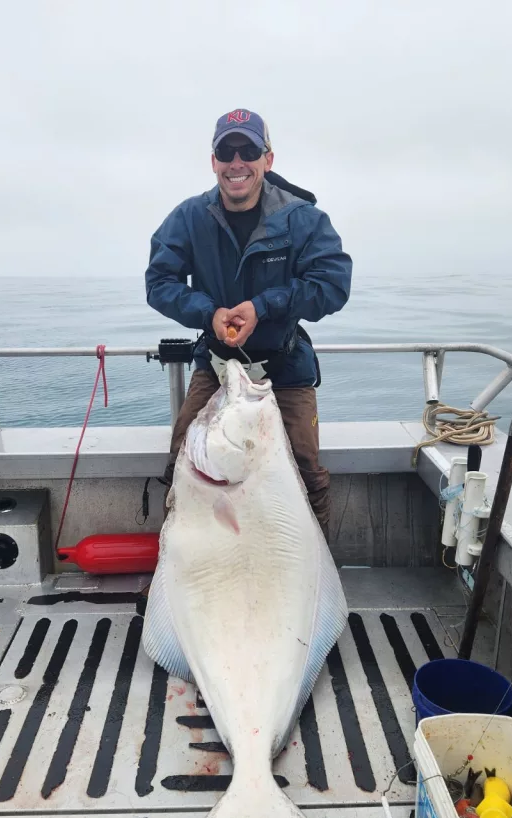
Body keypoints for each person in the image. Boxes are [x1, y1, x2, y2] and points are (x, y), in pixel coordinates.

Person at [145, 108, 352, 540]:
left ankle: (313, 579)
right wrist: (209, 314)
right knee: (183, 461)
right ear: (214, 160)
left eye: (248, 151)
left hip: (285, 365)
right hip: (218, 363)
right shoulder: (189, 218)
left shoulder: (303, 219)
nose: (237, 163)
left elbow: (333, 284)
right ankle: (182, 572)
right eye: (227, 151)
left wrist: (265, 306)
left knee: (306, 473)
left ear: (268, 159)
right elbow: (159, 282)